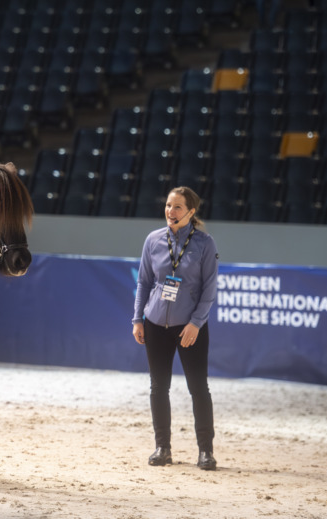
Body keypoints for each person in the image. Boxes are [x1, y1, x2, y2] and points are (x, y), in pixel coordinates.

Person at [131, 186, 219, 471]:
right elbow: (144, 282)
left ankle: (205, 451)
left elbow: (209, 290)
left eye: (178, 207)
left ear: (191, 212)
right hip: (155, 324)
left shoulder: (205, 244)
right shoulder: (153, 240)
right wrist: (137, 319)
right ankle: (162, 448)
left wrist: (196, 323)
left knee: (198, 388)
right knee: (158, 387)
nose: (170, 211)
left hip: (189, 328)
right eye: (168, 205)